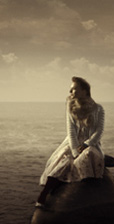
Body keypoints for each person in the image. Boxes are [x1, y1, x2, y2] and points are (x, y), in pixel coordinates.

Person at [37, 76, 105, 205]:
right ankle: (45, 193)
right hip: (73, 143)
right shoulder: (71, 107)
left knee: (88, 155)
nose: (70, 92)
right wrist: (75, 151)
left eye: (74, 89)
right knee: (64, 161)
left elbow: (99, 132)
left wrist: (86, 144)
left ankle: (87, 194)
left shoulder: (98, 109)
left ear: (84, 91)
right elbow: (71, 131)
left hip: (90, 144)